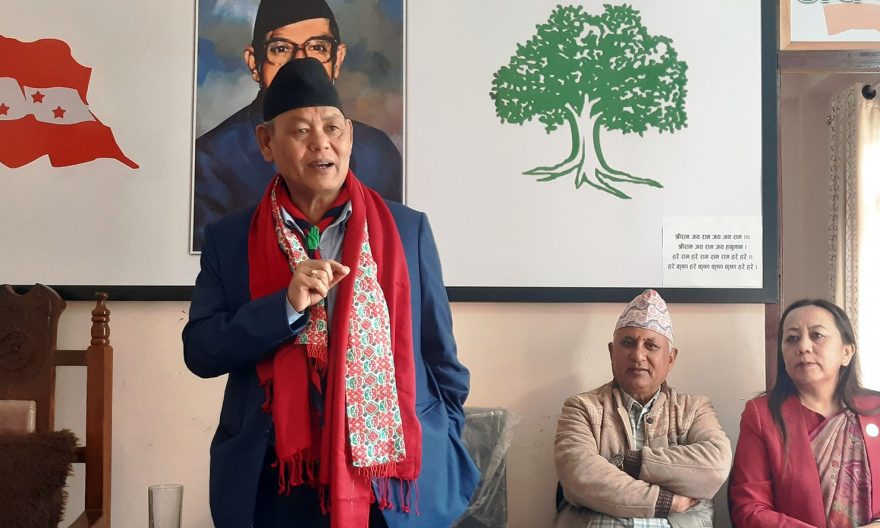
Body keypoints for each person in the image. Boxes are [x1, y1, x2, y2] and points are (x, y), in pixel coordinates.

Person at [182, 57, 477, 528]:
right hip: (278, 476)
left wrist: (447, 431)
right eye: (301, 131)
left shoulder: (408, 231)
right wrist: (284, 308)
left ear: (350, 137)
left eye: (333, 128)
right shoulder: (230, 240)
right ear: (266, 143)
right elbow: (201, 350)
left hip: (389, 477)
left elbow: (441, 357)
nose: (321, 143)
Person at [192, 0, 403, 251]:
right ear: (254, 62)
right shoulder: (210, 160)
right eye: (281, 48)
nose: (301, 62)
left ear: (337, 59)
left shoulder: (378, 153)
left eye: (318, 47)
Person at [554, 289, 732, 527]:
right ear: (611, 352)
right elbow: (579, 475)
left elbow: (715, 467)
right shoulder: (582, 408)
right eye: (628, 343)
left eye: (651, 345)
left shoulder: (694, 409)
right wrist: (665, 501)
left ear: (670, 359)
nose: (638, 355)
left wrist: (628, 462)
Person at [729, 299, 880, 527]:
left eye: (817, 335)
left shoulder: (875, 409)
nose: (803, 347)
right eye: (792, 338)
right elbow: (749, 509)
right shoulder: (762, 414)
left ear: (846, 352)